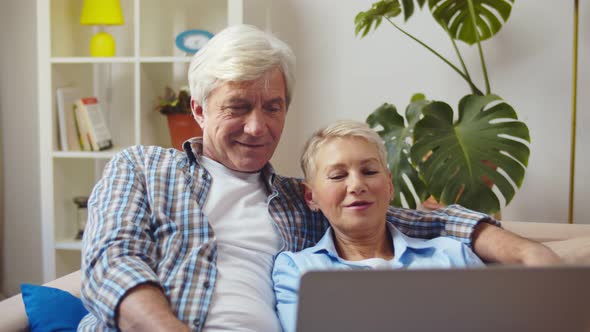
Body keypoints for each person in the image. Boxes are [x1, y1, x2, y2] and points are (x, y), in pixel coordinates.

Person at [78, 24, 559, 332]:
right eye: (238, 107)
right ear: (200, 110)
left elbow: (410, 222)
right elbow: (112, 264)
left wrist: (525, 252)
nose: (257, 126)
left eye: (273, 107)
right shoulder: (141, 168)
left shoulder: (299, 198)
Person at [272, 120, 486, 332]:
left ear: (390, 185)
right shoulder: (299, 270)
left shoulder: (452, 256)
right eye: (338, 176)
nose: (357, 185)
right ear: (311, 197)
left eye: (370, 172)